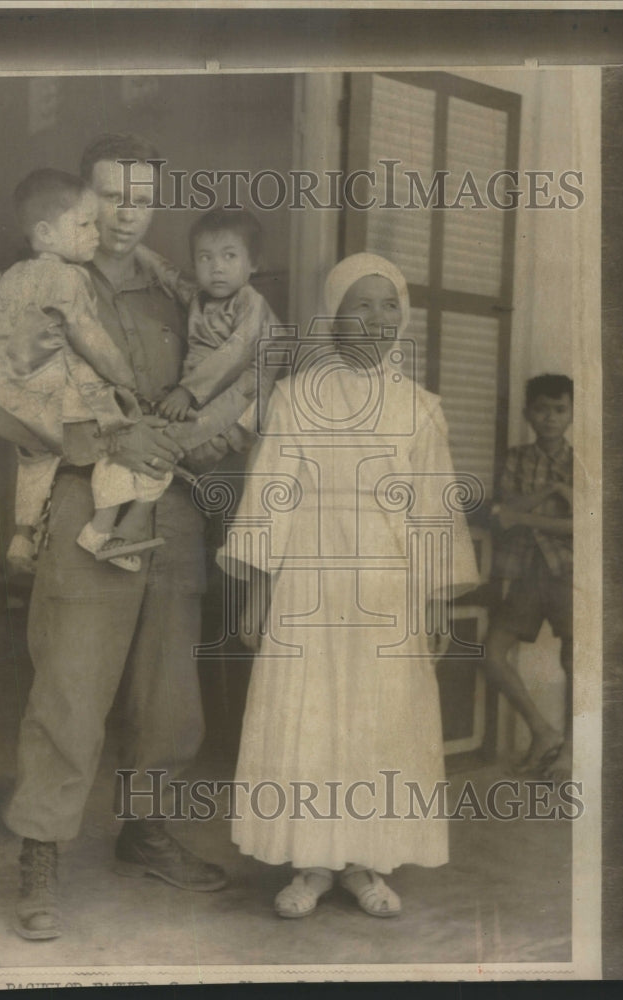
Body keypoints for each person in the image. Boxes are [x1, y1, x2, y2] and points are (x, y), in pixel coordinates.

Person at [1, 134, 234, 941]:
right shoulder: (45, 280)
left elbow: (224, 390)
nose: (129, 212)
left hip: (173, 509)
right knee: (71, 687)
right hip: (82, 503)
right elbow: (3, 401)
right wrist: (102, 443)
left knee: (168, 698)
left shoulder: (185, 293)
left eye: (144, 196)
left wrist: (204, 439)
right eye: (111, 196)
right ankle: (41, 851)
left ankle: (147, 830)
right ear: (83, 198)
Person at [217, 254, 479, 920]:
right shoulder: (295, 398)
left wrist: (433, 603)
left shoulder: (420, 409)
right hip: (308, 586)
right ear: (334, 315)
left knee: (380, 725)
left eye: (388, 304)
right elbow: (271, 498)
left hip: (387, 594)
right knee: (310, 722)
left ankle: (367, 862)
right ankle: (311, 863)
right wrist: (254, 593)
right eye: (360, 305)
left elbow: (433, 515)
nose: (377, 319)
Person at [0, 167, 191, 574]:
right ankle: (101, 528)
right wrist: (124, 378)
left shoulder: (8, 277)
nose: (97, 232)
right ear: (46, 233)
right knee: (120, 435)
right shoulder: (67, 277)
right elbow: (90, 338)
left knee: (36, 459)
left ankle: (22, 534)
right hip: (59, 395)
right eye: (85, 224)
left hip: (13, 397)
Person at [484, 374, 574, 782]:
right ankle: (543, 732)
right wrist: (552, 491)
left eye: (559, 410)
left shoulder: (584, 462)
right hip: (524, 572)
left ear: (571, 413)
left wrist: (520, 517)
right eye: (542, 409)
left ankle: (569, 751)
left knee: (577, 661)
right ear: (527, 413)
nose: (550, 418)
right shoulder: (517, 457)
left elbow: (583, 526)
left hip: (571, 573)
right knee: (491, 654)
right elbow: (501, 517)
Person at [157, 207, 280, 447]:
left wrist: (188, 391)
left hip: (243, 389)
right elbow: (167, 273)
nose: (217, 267)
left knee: (185, 439)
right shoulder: (198, 296)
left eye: (230, 256)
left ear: (253, 264)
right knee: (177, 430)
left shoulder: (250, 302)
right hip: (204, 388)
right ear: (193, 263)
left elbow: (236, 353)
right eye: (205, 257)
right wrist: (135, 249)